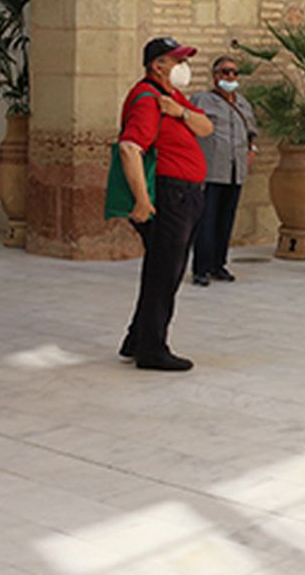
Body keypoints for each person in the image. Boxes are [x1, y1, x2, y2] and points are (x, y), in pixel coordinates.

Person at [117, 37, 214, 371]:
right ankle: (152, 349)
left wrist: (181, 112)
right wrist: (143, 201)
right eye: (177, 61)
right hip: (170, 195)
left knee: (164, 270)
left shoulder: (171, 98)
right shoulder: (148, 100)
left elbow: (206, 127)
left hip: (186, 194)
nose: (183, 67)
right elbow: (130, 148)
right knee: (165, 273)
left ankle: (137, 339)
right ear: (157, 65)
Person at [190, 56, 258, 287]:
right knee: (206, 221)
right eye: (225, 72)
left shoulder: (243, 103)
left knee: (226, 220)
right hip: (211, 169)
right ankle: (201, 269)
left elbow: (251, 132)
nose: (230, 76)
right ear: (215, 76)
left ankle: (218, 265)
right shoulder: (202, 100)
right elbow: (190, 127)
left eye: (234, 73)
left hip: (235, 170)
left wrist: (252, 151)